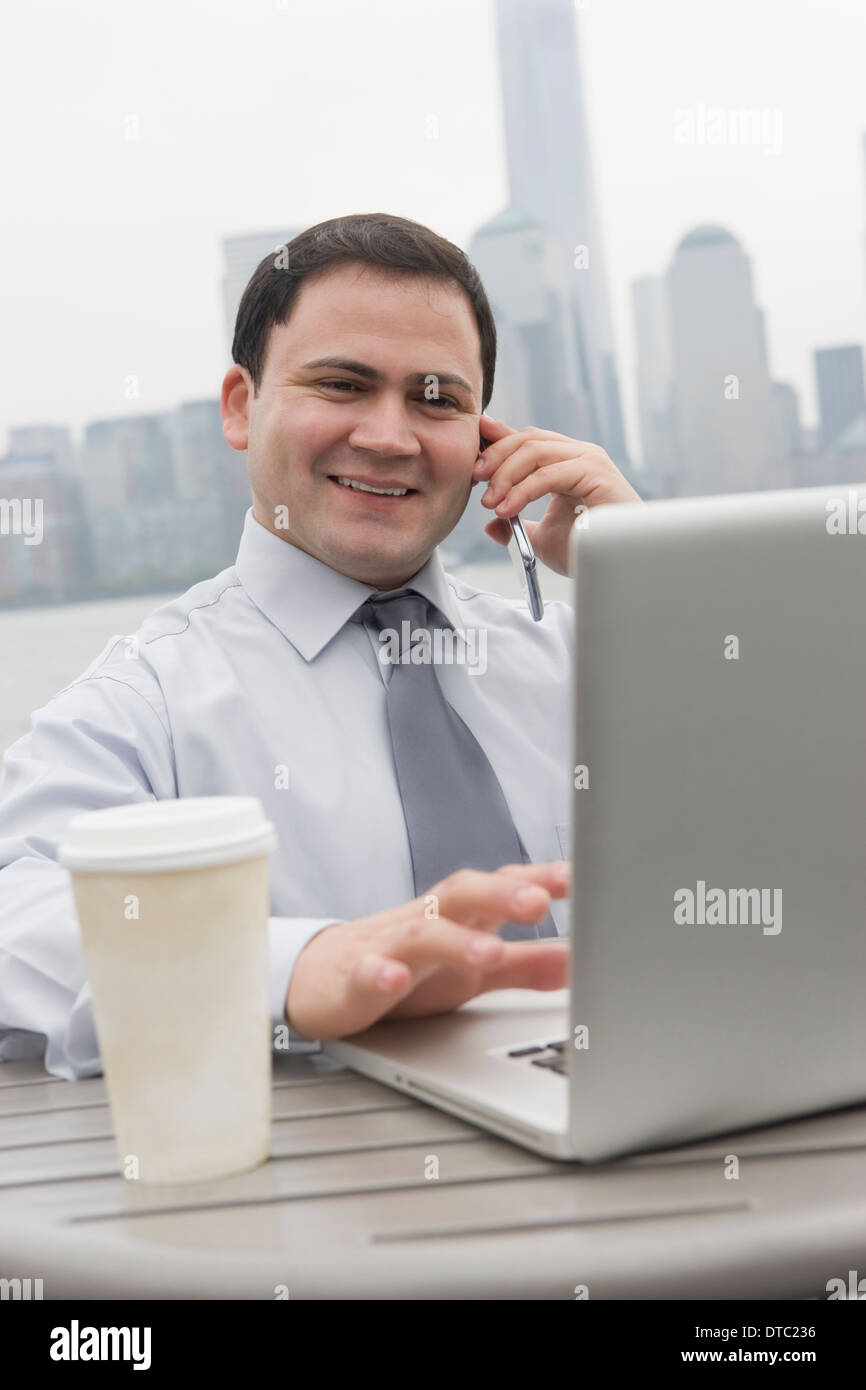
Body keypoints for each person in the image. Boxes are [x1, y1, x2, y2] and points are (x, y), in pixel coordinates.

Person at [0, 212, 641, 1079]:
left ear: (486, 441)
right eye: (342, 385)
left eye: (437, 398)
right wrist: (297, 967)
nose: (389, 436)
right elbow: (14, 914)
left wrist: (657, 586)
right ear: (241, 407)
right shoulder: (147, 702)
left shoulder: (587, 662)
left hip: (635, 1149)